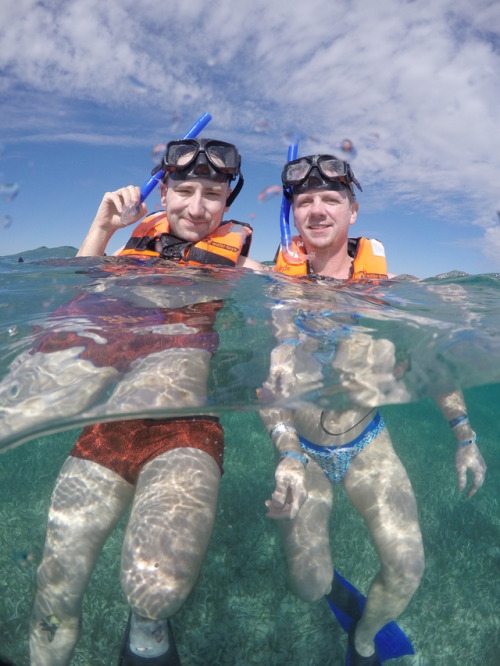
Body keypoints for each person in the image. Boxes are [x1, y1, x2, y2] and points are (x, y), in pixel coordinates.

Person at [26, 137, 261, 666]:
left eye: (212, 194)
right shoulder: (131, 250)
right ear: (163, 192)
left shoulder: (244, 269)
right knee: (55, 589)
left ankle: (147, 628)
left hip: (186, 431)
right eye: (183, 190)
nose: (196, 208)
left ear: (228, 202)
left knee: (156, 594)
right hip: (108, 428)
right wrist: (103, 229)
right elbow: (78, 295)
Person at [259, 154, 487, 665]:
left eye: (331, 199)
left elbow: (433, 366)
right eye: (305, 201)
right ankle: (327, 588)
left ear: (353, 211)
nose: (317, 210)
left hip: (367, 442)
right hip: (306, 452)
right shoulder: (275, 294)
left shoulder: (389, 292)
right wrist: (288, 453)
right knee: (307, 585)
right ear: (294, 214)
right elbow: (267, 394)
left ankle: (362, 641)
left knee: (407, 566)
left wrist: (465, 437)